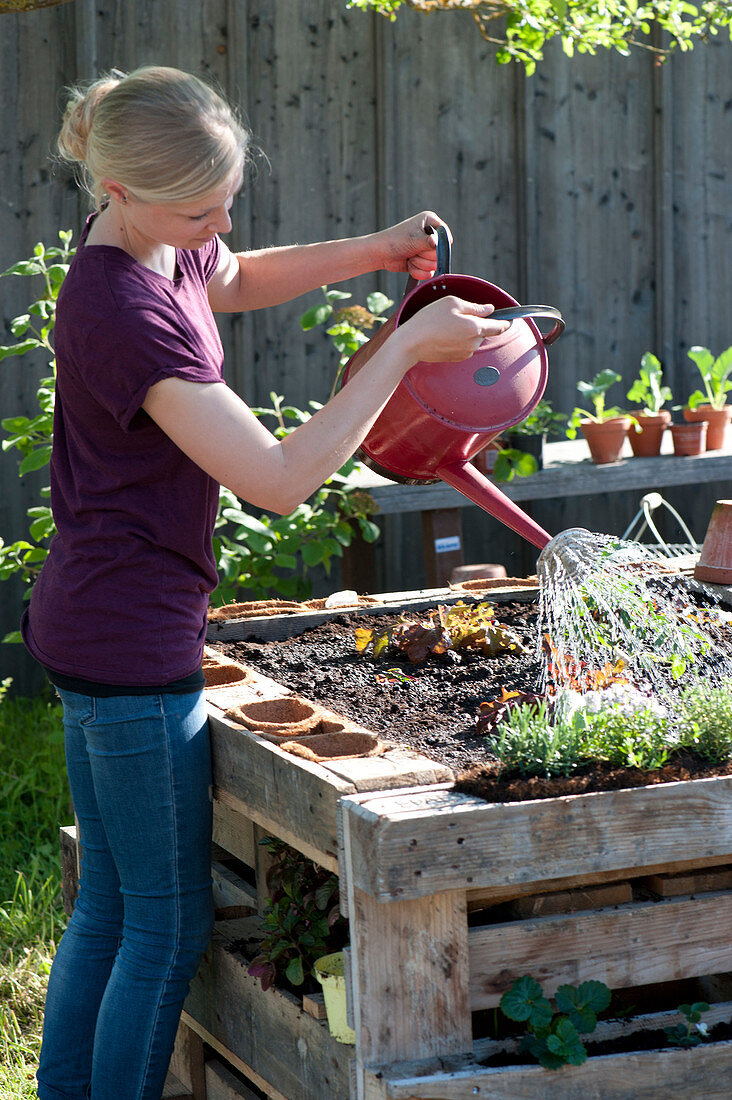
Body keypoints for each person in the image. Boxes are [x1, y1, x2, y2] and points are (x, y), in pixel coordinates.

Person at [23, 65, 509, 1100]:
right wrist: (403, 345)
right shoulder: (122, 313)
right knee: (163, 925)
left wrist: (375, 250)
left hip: (92, 617)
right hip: (129, 644)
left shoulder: (150, 244)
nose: (218, 221)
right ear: (118, 187)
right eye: (200, 206)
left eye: (226, 199)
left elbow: (235, 274)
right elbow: (282, 480)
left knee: (109, 906)